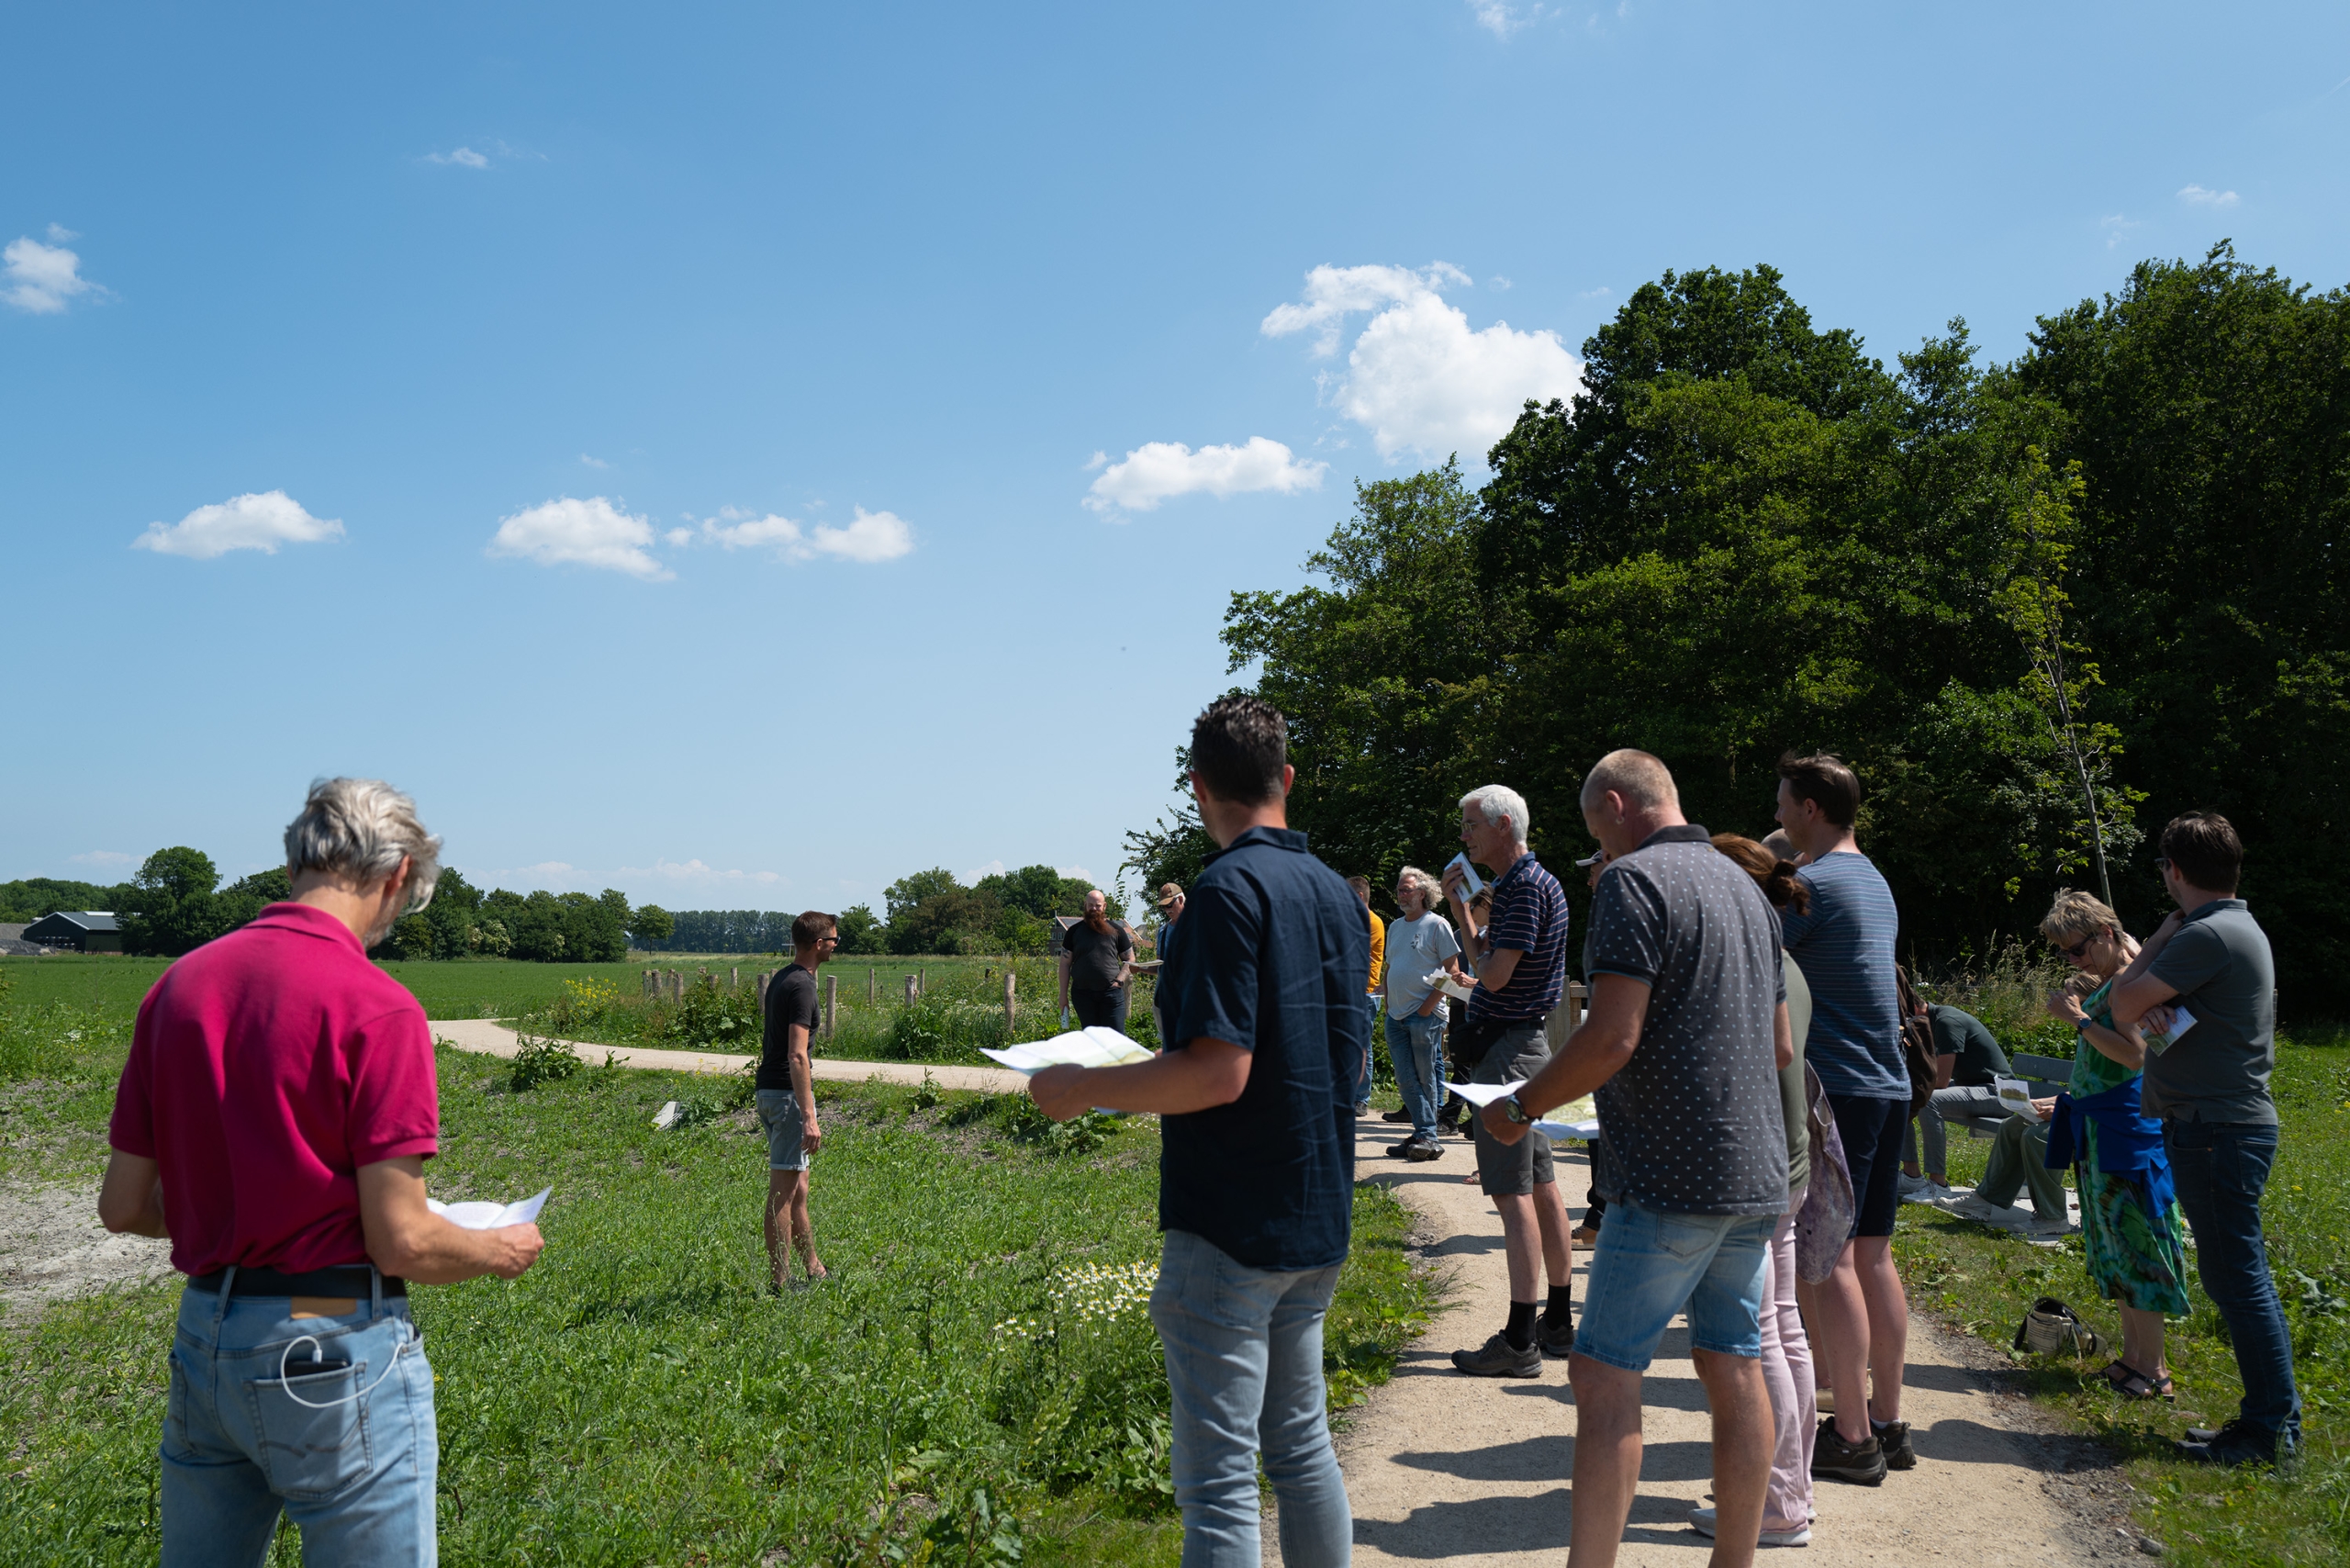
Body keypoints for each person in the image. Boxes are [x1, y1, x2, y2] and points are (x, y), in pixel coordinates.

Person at [98, 778, 545, 1564]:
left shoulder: (177, 989)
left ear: (299, 858)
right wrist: (496, 1247)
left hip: (207, 1329)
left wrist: (243, 1204)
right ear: (398, 875)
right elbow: (401, 1242)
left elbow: (124, 1204)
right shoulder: (377, 1005)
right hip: (327, 1328)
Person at [1028, 695, 1365, 1566]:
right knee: (1301, 1450)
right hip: (1318, 1209)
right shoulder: (1335, 893)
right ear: (1285, 779)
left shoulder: (1225, 894)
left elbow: (1219, 1071)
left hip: (1232, 1221)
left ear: (1197, 786)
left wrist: (1082, 1087)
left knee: (1219, 1484)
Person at [1485, 751, 1790, 1567]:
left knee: (1604, 1375)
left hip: (1670, 1177)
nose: (1600, 854)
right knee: (1734, 1366)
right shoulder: (1746, 886)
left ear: (1617, 806)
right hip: (1755, 1174)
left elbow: (1612, 1034)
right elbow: (1778, 1045)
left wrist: (1520, 1108)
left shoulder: (1635, 883)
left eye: (1595, 833)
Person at [2108, 812, 2300, 1468]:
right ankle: (2271, 1422)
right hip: (2221, 1126)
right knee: (2239, 1278)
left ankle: (2268, 1432)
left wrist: (2160, 934)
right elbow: (2138, 1006)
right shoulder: (2234, 928)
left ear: (2174, 871)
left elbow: (2119, 1006)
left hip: (2214, 1130)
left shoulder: (2205, 935)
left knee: (2239, 1282)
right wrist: (2148, 998)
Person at [1773, 751, 1912, 1484]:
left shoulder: (1811, 887)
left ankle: (1852, 1438)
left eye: (1783, 805)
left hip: (1841, 1090)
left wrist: (1770, 869)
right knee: (1874, 1255)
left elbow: (1756, 953)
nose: (1777, 816)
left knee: (1826, 1260)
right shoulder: (1871, 878)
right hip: (1887, 1087)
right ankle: (1888, 1421)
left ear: (1811, 810)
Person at [2031, 890, 2191, 1400]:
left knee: (2137, 1245)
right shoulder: (2123, 972)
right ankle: (2133, 1359)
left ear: (2103, 934)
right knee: (2114, 1250)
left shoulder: (2126, 984)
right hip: (2100, 1129)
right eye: (2064, 953)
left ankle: (2155, 1369)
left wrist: (2078, 1019)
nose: (2072, 961)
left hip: (2125, 1135)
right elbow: (2134, 948)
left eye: (2076, 949)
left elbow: (2135, 1057)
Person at [1442, 783, 1577, 1375]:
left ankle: (1520, 1339)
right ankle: (1557, 1319)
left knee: (1511, 1192)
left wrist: (1462, 917)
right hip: (1532, 1047)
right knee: (1542, 1184)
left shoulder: (1520, 890)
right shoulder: (1541, 883)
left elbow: (1492, 977)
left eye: (1470, 824)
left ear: (1502, 825)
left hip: (1506, 1054)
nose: (1465, 835)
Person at [1707, 832, 1818, 1549]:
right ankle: (1791, 1493)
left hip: (1760, 1170)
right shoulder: (1785, 961)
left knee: (1761, 1341)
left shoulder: (1748, 963)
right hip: (1791, 1163)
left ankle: (1775, 1507)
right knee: (1788, 1331)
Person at [758, 911, 841, 1289]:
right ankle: (780, 1282)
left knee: (799, 1188)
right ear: (819, 944)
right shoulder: (804, 986)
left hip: (771, 1091)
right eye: (834, 940)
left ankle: (814, 1268)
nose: (836, 946)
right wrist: (809, 1115)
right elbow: (797, 1054)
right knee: (783, 1195)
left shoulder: (782, 978)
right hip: (788, 1096)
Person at [1380, 866, 1460, 1161]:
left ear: (1422, 893)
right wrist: (1388, 1001)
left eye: (1406, 889)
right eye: (1399, 889)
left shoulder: (1437, 924)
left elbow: (1453, 972)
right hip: (1396, 1016)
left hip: (1425, 1016)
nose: (1400, 895)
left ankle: (1427, 1135)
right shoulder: (1396, 927)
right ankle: (1423, 1133)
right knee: (1405, 1079)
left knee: (1424, 1077)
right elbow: (1391, 967)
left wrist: (1428, 1005)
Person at [1899, 1002, 2012, 1196]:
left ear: (1915, 1008)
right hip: (1974, 1087)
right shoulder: (1931, 1023)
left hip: (1999, 1093)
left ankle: (1938, 1185)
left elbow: (1941, 1081)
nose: (1905, 1024)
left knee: (1929, 1101)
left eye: (1904, 1017)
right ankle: (1911, 1176)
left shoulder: (1947, 1022)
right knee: (1902, 1096)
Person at [1058, 887, 1136, 1033]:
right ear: (1085, 905)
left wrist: (1120, 979)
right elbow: (1065, 964)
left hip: (1111, 994)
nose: (1094, 909)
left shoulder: (1116, 930)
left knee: (1116, 1039)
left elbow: (1130, 958)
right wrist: (1063, 995)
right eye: (1091, 905)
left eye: (1098, 905)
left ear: (1104, 906)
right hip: (1083, 995)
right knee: (1092, 1039)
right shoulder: (1074, 932)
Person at [1347, 875, 1384, 1115]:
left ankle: (1361, 1098)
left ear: (1359, 897)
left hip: (1365, 993)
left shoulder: (1372, 922)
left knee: (1362, 1047)